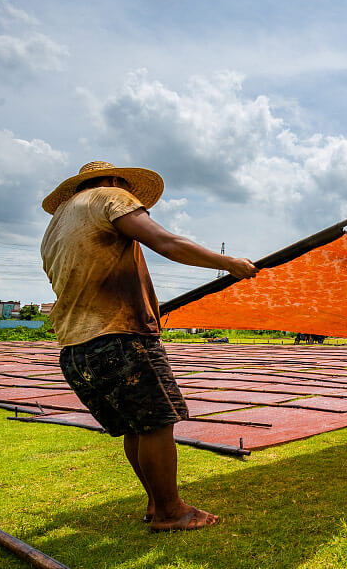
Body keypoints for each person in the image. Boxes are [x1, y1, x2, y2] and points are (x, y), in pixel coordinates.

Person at [40, 161, 257, 531]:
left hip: (76, 347)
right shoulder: (110, 196)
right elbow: (166, 243)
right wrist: (229, 263)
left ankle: (159, 503)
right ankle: (172, 512)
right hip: (120, 335)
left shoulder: (56, 224)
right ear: (112, 181)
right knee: (157, 423)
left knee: (136, 428)